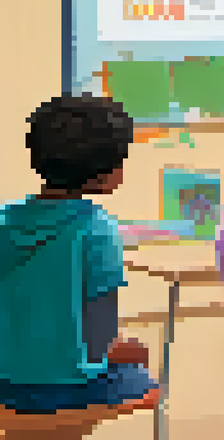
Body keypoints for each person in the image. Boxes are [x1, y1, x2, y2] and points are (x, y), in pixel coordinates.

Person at [0, 95, 156, 428]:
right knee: (138, 364)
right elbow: (100, 344)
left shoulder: (3, 221)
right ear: (105, 172)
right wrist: (128, 349)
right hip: (62, 390)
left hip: (3, 386)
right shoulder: (97, 230)